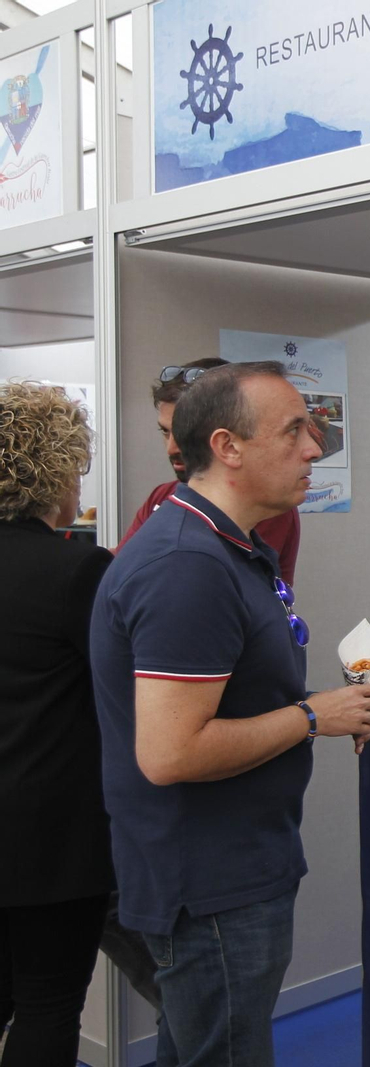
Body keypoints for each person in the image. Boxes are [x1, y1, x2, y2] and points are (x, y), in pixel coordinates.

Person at [89, 361, 370, 1067]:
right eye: (293, 431)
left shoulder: (232, 545)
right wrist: (312, 716)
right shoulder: (187, 565)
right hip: (210, 884)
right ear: (227, 446)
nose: (314, 448)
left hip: (233, 866)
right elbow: (171, 752)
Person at [0, 382, 113, 1066]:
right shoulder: (79, 569)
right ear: (57, 472)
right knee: (48, 1001)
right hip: (51, 834)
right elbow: (126, 688)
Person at [119, 358, 302, 584]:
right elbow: (123, 572)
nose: (172, 447)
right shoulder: (161, 497)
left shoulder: (263, 503)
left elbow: (212, 585)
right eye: (166, 432)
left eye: (184, 432)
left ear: (226, 438)